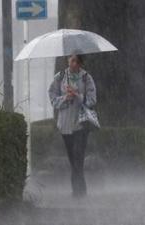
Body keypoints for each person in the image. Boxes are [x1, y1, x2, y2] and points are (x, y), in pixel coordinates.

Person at [48, 54, 97, 198]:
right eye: (72, 60)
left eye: (77, 61)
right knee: (72, 158)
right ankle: (79, 189)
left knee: (78, 156)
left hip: (80, 125)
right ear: (68, 60)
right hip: (65, 125)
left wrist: (77, 95)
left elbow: (92, 100)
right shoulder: (60, 77)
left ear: (81, 63)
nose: (74, 63)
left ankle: (79, 191)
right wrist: (65, 98)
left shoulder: (86, 78)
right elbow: (52, 97)